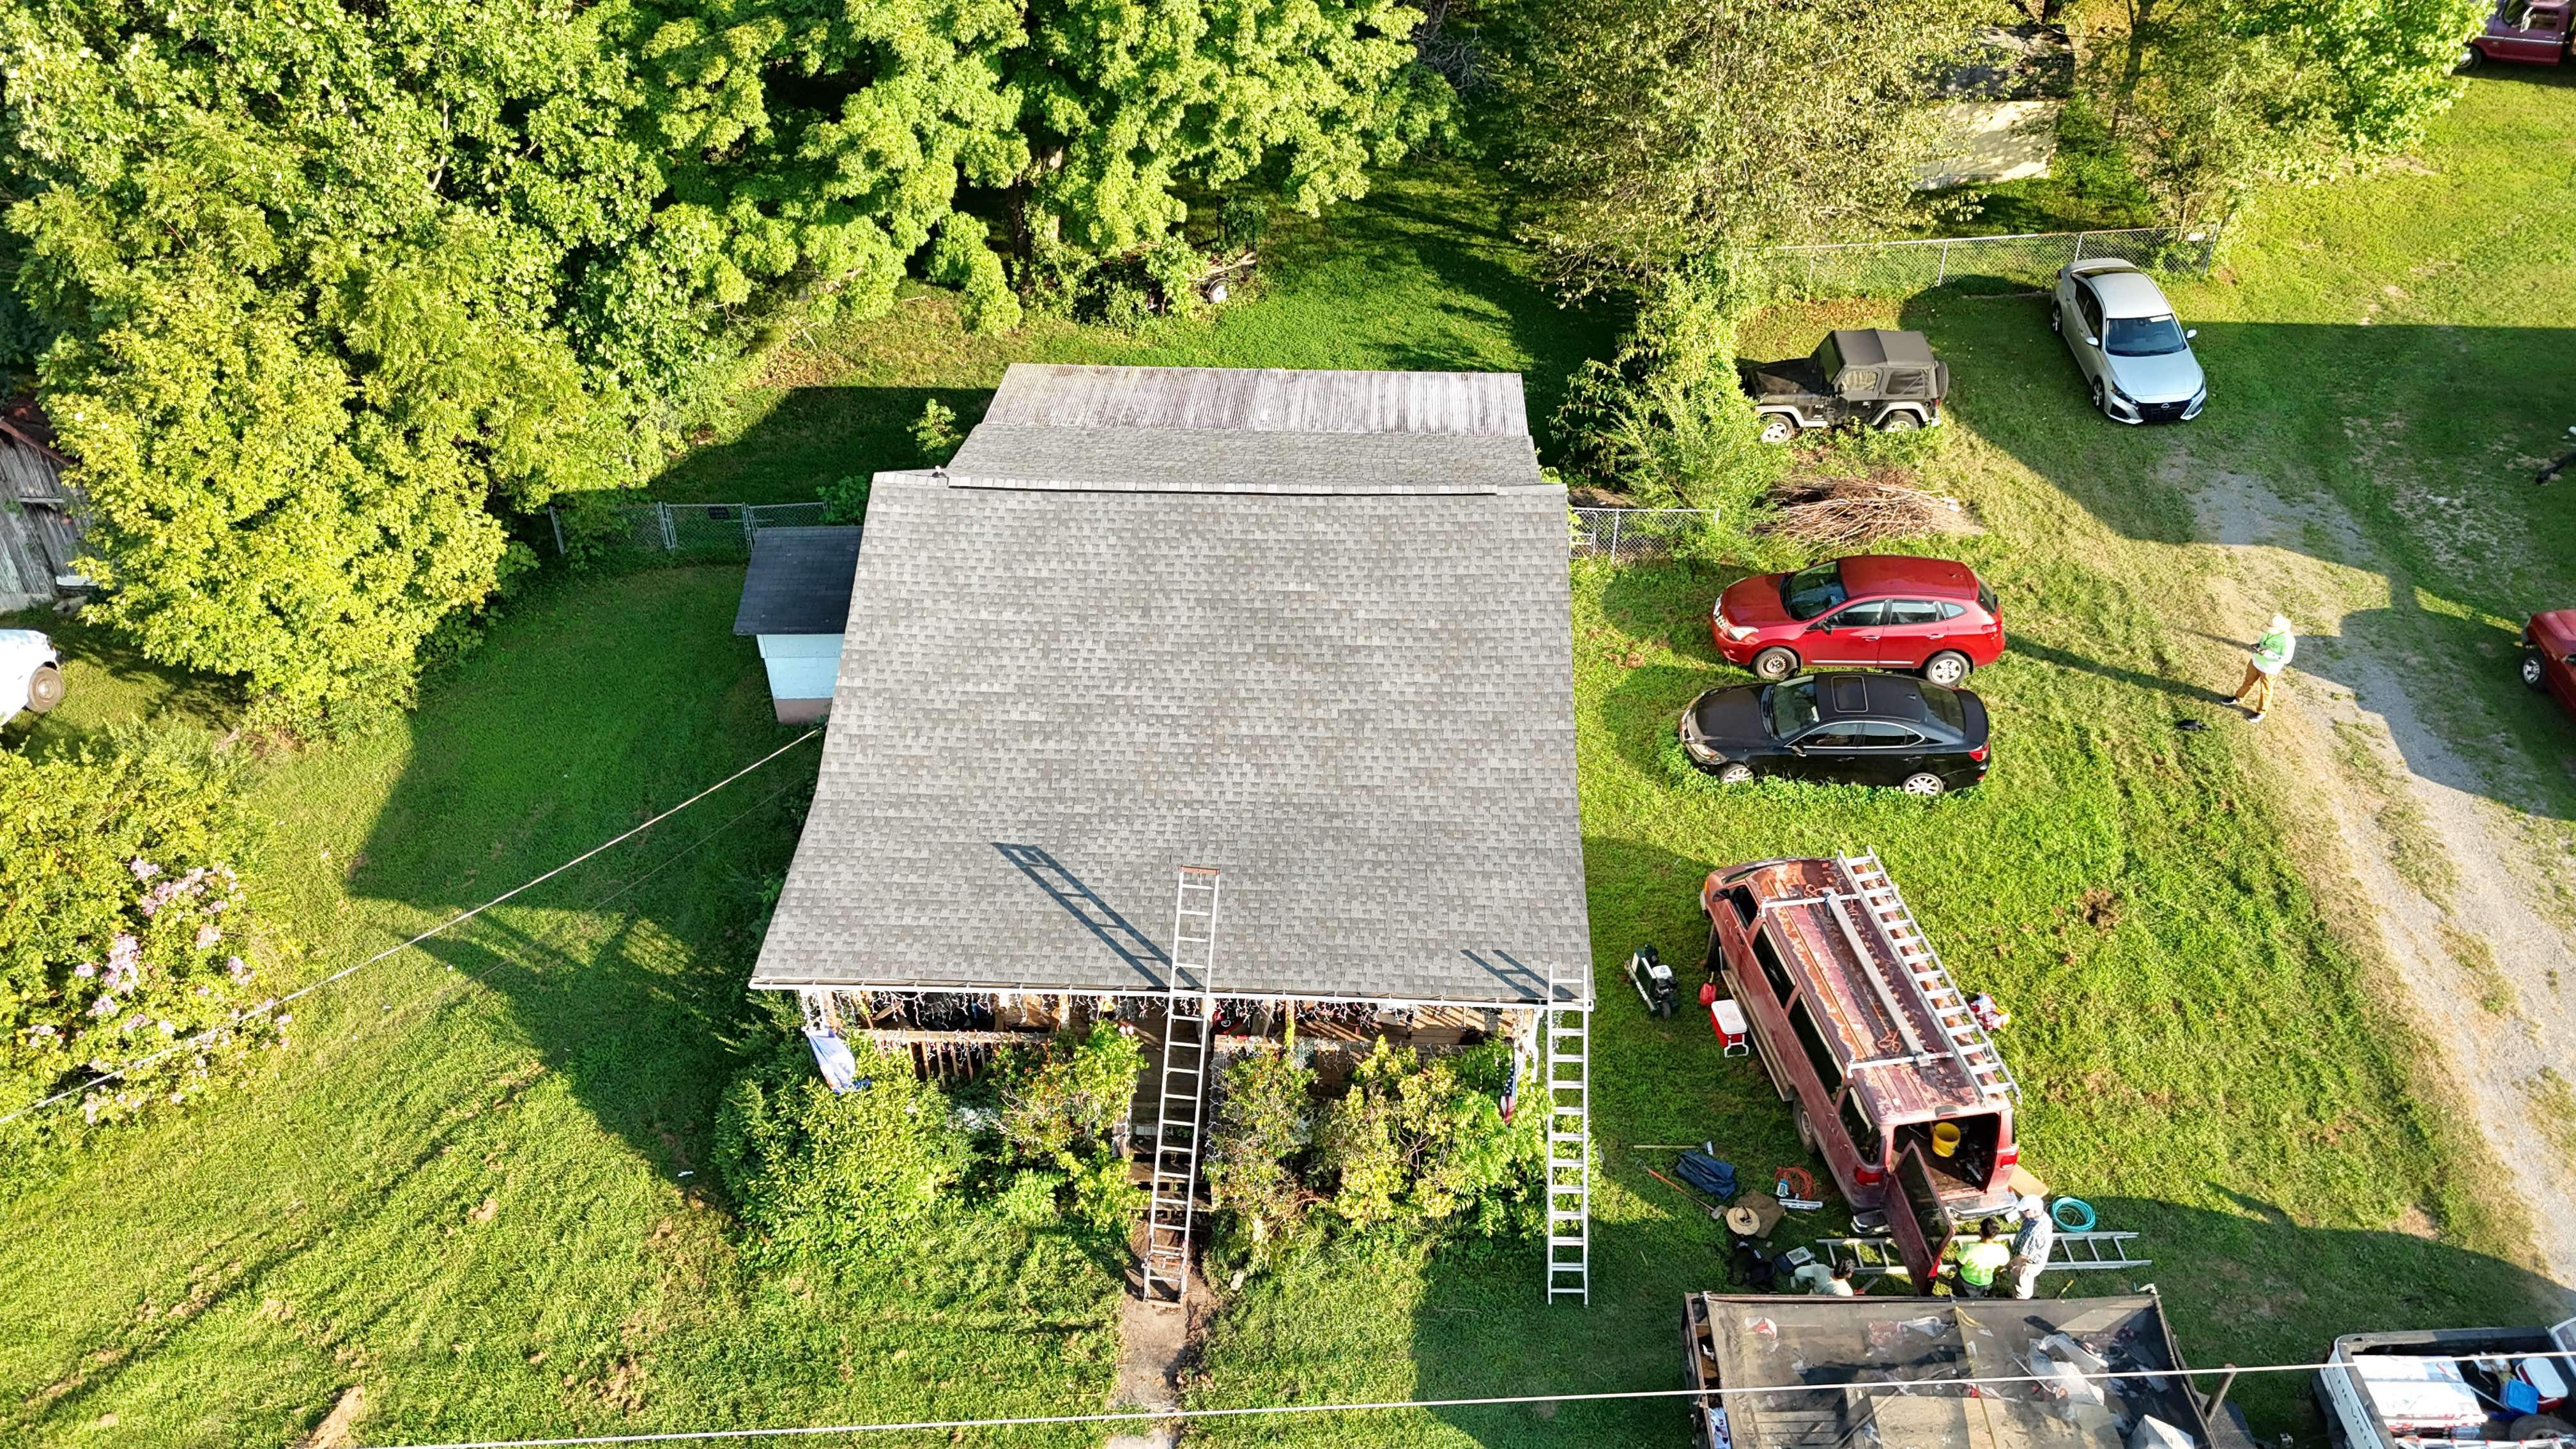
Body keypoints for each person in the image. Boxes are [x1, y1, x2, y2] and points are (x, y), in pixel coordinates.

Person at [2231, 614, 2296, 722]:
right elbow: (2262, 640)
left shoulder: (2288, 640)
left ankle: (2261, 712)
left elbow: (2287, 659)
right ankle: (2238, 698)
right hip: (2256, 662)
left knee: (2266, 690)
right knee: (2248, 681)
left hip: (2270, 669)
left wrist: (2267, 654)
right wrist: (2258, 645)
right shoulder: (2269, 631)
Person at [2004, 1194, 2055, 1300]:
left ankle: (2020, 1302)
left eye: (2024, 1211)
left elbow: (2023, 1257)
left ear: (2034, 1210)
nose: (2022, 1213)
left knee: (2021, 1283)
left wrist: (2009, 1266)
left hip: (2028, 1264)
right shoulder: (2041, 1217)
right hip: (2028, 1256)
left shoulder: (2034, 1233)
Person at [1954, 1218, 2011, 1298]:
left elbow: (1958, 1263)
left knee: (1962, 1297)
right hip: (1986, 1283)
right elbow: (2003, 1265)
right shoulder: (2002, 1250)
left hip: (1965, 1282)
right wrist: (1994, 1273)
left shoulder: (1970, 1248)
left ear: (1981, 1232)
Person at [1791, 1259, 1857, 1296]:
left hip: (1812, 1294)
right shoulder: (1847, 1292)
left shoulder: (1821, 1268)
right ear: (1849, 1275)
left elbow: (1798, 1272)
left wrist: (1804, 1282)